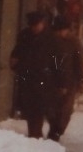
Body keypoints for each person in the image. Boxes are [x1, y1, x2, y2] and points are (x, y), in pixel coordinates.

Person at [11, 10, 58, 139]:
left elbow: (56, 60)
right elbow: (16, 52)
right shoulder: (24, 36)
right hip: (27, 78)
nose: (34, 28)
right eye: (32, 25)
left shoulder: (51, 38)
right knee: (30, 110)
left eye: (37, 25)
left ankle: (35, 135)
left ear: (42, 23)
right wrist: (15, 64)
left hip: (44, 80)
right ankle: (34, 134)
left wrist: (58, 79)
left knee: (39, 110)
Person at [47, 15, 83, 141]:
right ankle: (54, 133)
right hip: (52, 81)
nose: (60, 33)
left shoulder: (74, 42)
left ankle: (56, 134)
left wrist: (82, 80)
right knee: (52, 111)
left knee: (65, 111)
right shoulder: (50, 40)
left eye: (62, 30)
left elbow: (80, 62)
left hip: (70, 82)